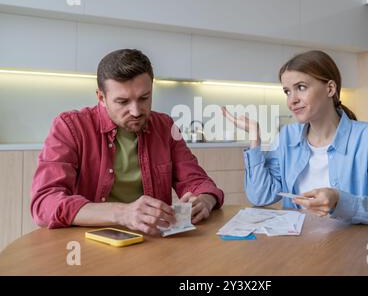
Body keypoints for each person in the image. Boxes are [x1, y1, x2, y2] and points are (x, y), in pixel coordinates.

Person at [31, 49, 224, 235]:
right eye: (123, 102)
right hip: (89, 244)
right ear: (101, 98)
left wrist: (206, 200)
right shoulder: (70, 127)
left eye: (144, 98)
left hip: (152, 242)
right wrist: (123, 213)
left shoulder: (165, 127)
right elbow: (44, 202)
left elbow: (196, 180)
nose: (136, 111)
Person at [223, 50, 368, 228]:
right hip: (298, 248)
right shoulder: (287, 136)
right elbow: (260, 196)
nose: (292, 100)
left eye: (301, 87)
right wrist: (255, 139)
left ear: (330, 89)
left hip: (352, 250)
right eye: (287, 91)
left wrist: (340, 200)